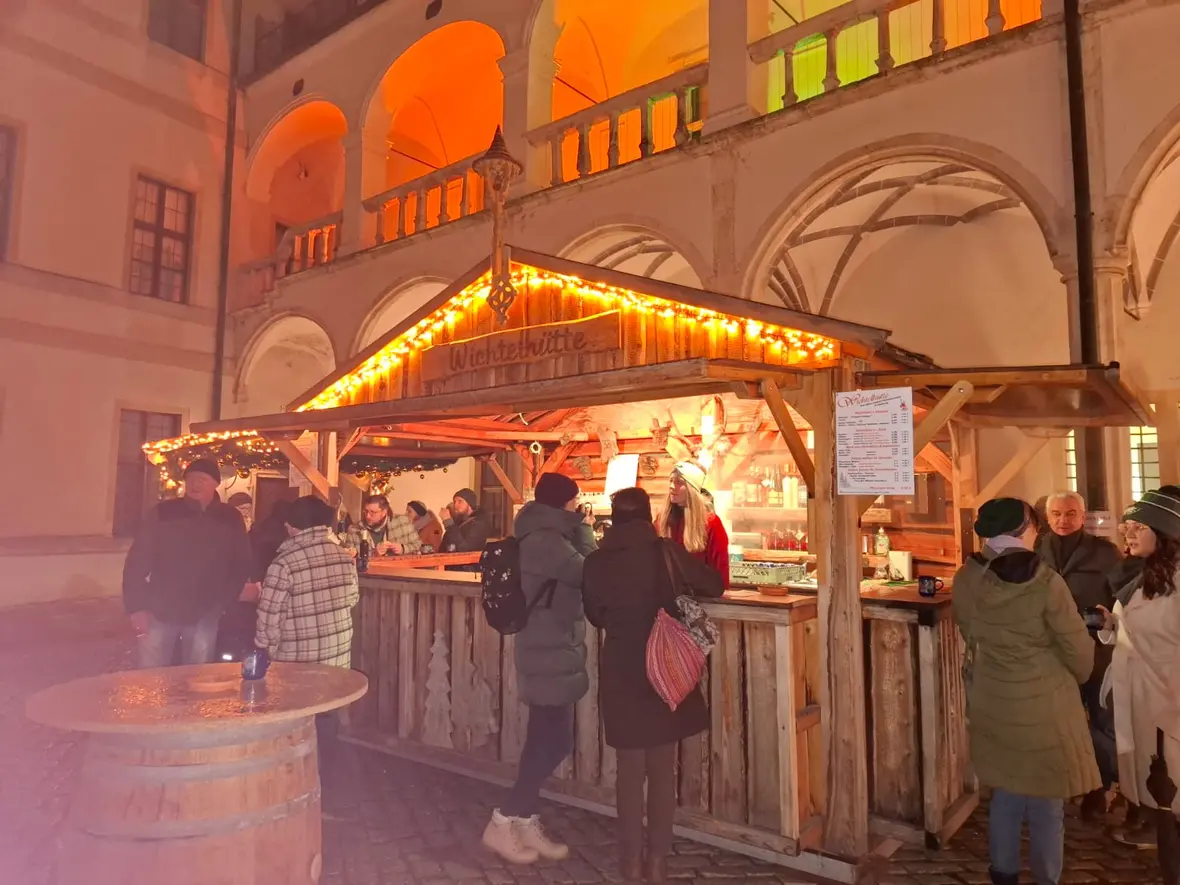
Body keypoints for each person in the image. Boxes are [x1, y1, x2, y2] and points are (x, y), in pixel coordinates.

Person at [952, 497, 1099, 885]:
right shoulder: (1046, 581)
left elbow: (969, 630)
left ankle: (1003, 874)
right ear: (1023, 530)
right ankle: (1046, 878)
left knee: (1007, 792)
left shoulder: (966, 576)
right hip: (1044, 702)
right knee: (1047, 802)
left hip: (991, 697)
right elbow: (1080, 654)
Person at [583, 487, 724, 882]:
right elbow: (714, 584)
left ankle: (630, 861)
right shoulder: (665, 551)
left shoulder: (595, 562)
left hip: (623, 670)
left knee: (629, 771)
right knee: (663, 768)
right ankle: (658, 861)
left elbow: (595, 615)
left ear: (614, 516)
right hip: (666, 667)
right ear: (648, 516)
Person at [482, 473, 596, 865]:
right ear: (566, 502)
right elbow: (590, 572)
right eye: (574, 501)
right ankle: (504, 818)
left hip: (551, 651)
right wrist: (585, 529)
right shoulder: (548, 541)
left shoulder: (543, 534)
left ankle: (524, 818)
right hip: (548, 652)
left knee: (545, 740)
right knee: (553, 742)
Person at [1097, 486, 1180, 877]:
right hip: (1141, 696)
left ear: (1164, 532)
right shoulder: (1143, 576)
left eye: (1137, 526)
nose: (1127, 534)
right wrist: (1113, 626)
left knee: (1171, 779)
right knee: (1153, 778)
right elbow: (1137, 629)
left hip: (1169, 700)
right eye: (1126, 526)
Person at [1035, 490, 1122, 818]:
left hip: (1094, 646)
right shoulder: (1036, 549)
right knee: (1058, 718)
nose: (1062, 520)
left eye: (1070, 513)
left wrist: (1108, 622)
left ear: (1082, 516)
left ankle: (1100, 788)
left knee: (1100, 719)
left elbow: (1121, 598)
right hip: (1052, 649)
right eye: (1056, 513)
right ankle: (1065, 779)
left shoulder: (1105, 553)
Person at [123, 458, 253, 668]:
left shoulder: (229, 518)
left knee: (197, 677)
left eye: (202, 479)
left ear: (215, 483)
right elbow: (137, 562)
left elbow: (241, 563)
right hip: (160, 610)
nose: (195, 484)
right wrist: (136, 607)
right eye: (191, 479)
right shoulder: (164, 513)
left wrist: (224, 602)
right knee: (150, 676)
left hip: (205, 611)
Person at [254, 495, 360, 668]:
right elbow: (353, 599)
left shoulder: (283, 563)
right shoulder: (345, 558)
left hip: (296, 661)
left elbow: (269, 619)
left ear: (291, 525)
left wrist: (265, 651)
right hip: (338, 656)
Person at [656, 462, 729, 587]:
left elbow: (720, 575)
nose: (672, 486)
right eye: (671, 481)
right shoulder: (662, 520)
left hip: (702, 601)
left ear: (692, 488)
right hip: (665, 600)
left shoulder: (711, 523)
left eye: (679, 482)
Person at [346, 494, 422, 556]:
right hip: (369, 574)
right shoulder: (354, 530)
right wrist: (374, 554)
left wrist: (403, 548)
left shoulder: (402, 522)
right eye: (366, 511)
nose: (368, 516)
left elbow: (420, 546)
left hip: (399, 572)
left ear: (384, 512)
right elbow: (348, 559)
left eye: (372, 512)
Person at [440, 488, 494, 554]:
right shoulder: (458, 522)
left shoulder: (479, 523)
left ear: (469, 503)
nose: (456, 505)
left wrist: (449, 523)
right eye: (455, 502)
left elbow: (465, 548)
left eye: (460, 501)